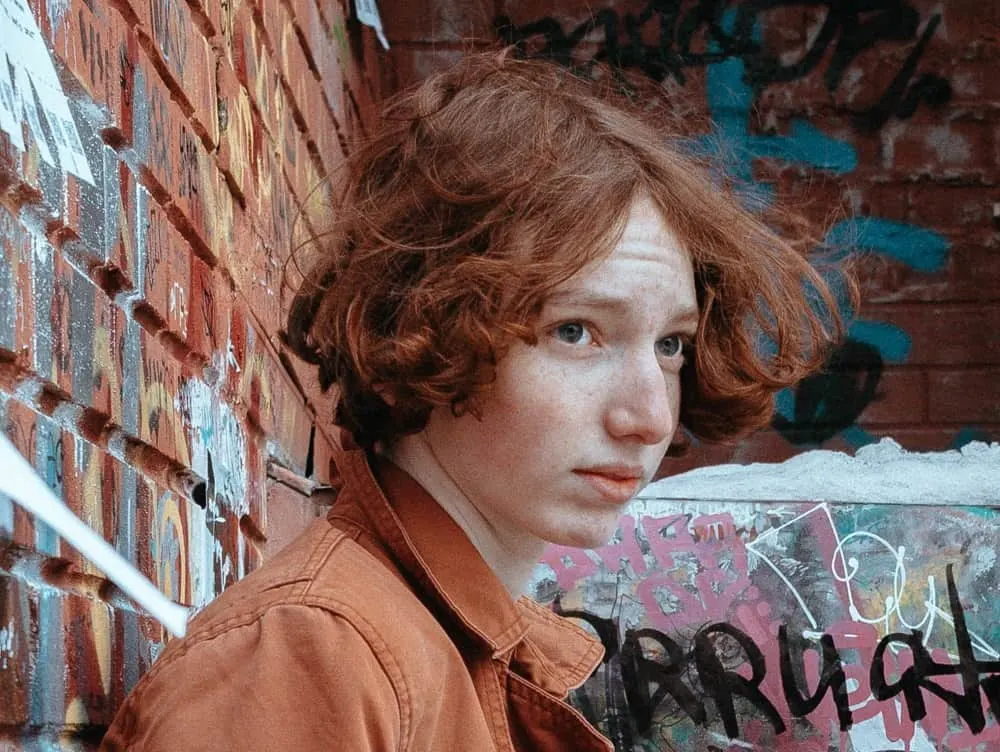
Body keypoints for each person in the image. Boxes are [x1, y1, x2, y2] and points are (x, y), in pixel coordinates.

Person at [100, 49, 844, 751]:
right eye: (576, 331)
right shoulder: (313, 657)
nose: (649, 417)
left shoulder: (455, 646)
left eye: (670, 344)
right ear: (423, 328)